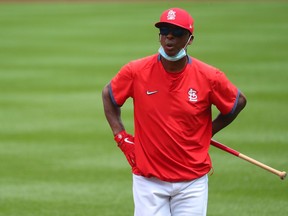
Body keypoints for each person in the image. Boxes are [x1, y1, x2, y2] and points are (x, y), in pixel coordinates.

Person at [102, 7, 246, 216]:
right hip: (148, 181)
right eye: (164, 30)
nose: (169, 36)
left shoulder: (209, 76)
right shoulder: (136, 71)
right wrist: (121, 137)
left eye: (177, 32)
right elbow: (109, 95)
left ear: (190, 39)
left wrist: (209, 130)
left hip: (192, 182)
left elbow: (237, 102)